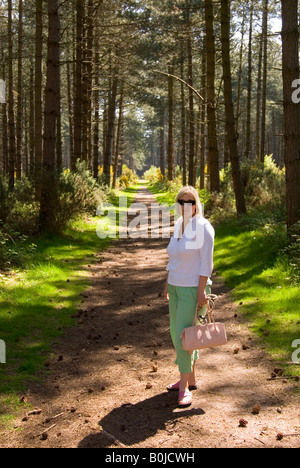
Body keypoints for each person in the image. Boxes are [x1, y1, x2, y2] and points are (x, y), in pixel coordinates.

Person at [164, 186, 215, 408]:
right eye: (182, 202)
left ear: (196, 205)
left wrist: (201, 291)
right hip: (175, 287)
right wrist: (167, 283)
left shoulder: (203, 227)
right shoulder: (178, 225)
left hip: (192, 289)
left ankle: (184, 387)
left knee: (183, 337)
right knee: (178, 334)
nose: (186, 206)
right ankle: (190, 377)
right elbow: (173, 257)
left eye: (190, 202)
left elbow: (207, 263)